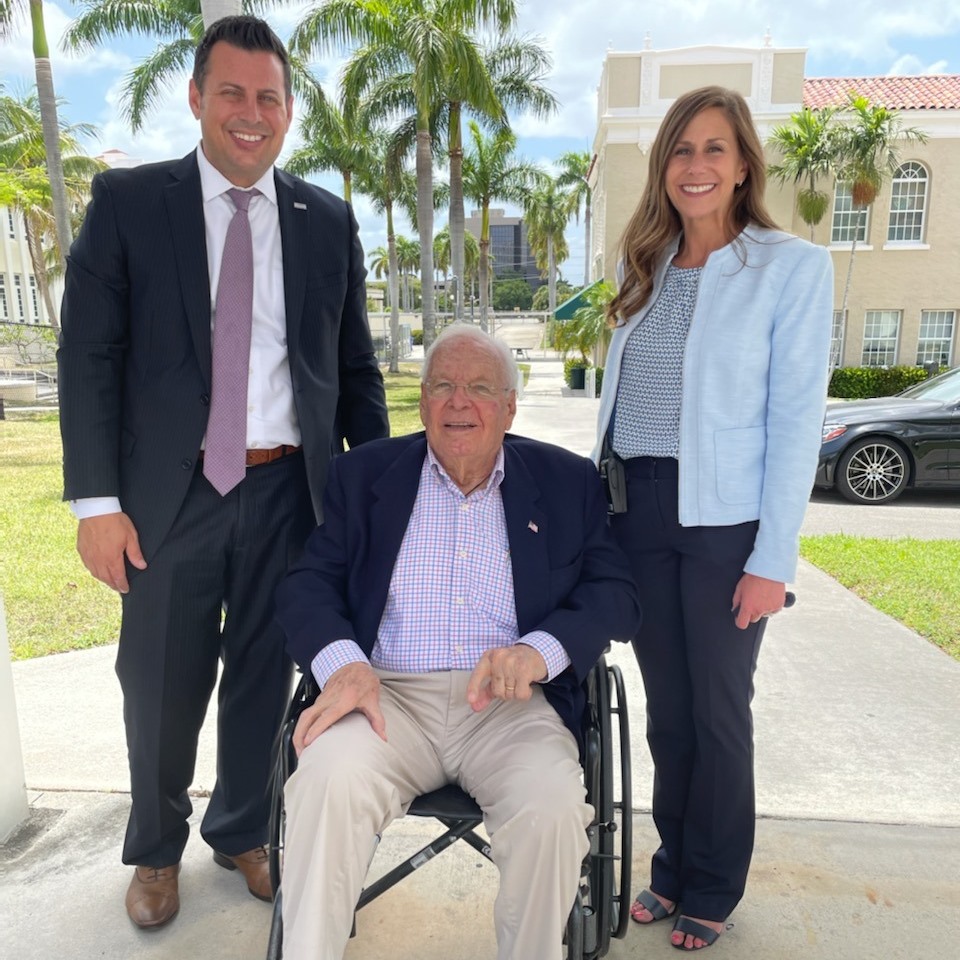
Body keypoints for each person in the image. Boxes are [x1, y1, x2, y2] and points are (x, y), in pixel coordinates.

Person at [57, 15, 389, 930]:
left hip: (293, 495)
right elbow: (88, 356)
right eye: (233, 94)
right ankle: (155, 851)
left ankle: (243, 829)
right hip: (171, 496)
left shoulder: (325, 220)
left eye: (269, 98)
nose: (252, 114)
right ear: (198, 98)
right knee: (158, 683)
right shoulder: (130, 203)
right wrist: (96, 503)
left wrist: (379, 499)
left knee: (261, 677)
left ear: (290, 112)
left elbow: (353, 369)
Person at [274, 324, 641, 960]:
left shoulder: (564, 481)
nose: (458, 402)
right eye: (442, 386)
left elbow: (616, 596)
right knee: (325, 782)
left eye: (478, 388)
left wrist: (539, 652)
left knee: (552, 807)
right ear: (421, 402)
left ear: (509, 406)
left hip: (510, 706)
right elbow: (307, 587)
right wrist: (345, 667)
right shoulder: (363, 477)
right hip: (384, 699)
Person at [593, 86, 833, 950]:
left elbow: (795, 420)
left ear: (742, 168)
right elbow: (621, 409)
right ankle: (671, 867)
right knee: (667, 712)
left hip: (725, 523)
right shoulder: (647, 266)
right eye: (681, 150)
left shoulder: (788, 268)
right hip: (638, 513)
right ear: (665, 167)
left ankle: (714, 884)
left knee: (719, 710)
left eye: (715, 149)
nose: (696, 166)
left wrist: (774, 558)